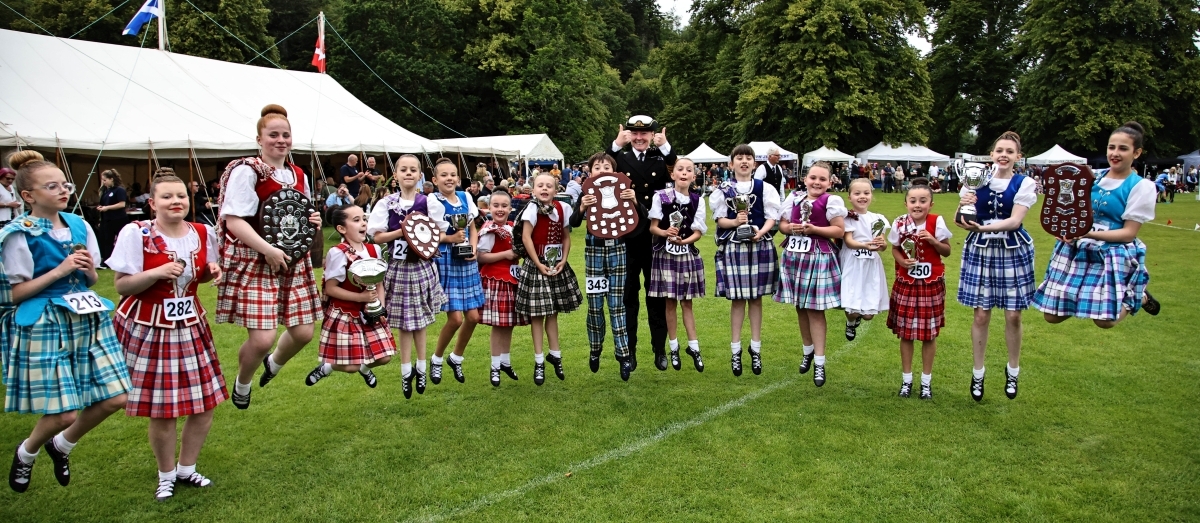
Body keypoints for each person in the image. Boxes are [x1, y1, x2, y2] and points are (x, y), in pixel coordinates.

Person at [2, 151, 131, 493]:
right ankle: (26, 453)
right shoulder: (18, 234)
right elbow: (13, 294)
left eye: (65, 184)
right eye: (52, 186)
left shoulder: (79, 224)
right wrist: (59, 270)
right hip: (47, 321)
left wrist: (87, 269)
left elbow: (89, 280)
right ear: (28, 196)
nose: (63, 191)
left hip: (87, 316)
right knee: (63, 414)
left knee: (116, 398)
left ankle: (61, 446)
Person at [108, 174, 225, 500]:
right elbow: (121, 285)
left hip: (190, 325)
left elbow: (201, 272)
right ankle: (166, 474)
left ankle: (187, 468)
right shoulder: (137, 233)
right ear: (152, 203)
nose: (176, 202)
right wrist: (157, 272)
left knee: (205, 404)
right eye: (167, 197)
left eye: (181, 196)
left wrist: (211, 272)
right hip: (150, 327)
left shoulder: (202, 232)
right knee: (163, 409)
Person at [215, 104, 322, 409]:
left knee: (303, 332)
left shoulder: (297, 173)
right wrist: (269, 250)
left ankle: (273, 364)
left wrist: (311, 219)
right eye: (273, 134)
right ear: (259, 138)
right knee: (262, 339)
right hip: (256, 259)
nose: (280, 140)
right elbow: (233, 220)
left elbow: (293, 214)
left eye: (285, 135)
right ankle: (243, 382)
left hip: (291, 259)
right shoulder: (248, 171)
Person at [1032, 121, 1161, 328]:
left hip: (1113, 251)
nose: (1115, 153)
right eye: (1112, 147)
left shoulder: (1141, 186)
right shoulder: (1092, 178)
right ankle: (1089, 298)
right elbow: (1071, 212)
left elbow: (1128, 233)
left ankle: (1139, 295)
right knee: (1052, 316)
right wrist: (1066, 230)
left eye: (1123, 148)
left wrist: (1086, 234)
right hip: (1079, 248)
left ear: (1136, 153)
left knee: (1105, 322)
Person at [367, 155, 448, 398]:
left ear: (420, 174)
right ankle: (405, 372)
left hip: (422, 266)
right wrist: (403, 231)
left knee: (421, 321)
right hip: (399, 267)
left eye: (413, 169)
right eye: (404, 170)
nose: (409, 173)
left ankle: (421, 367)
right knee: (403, 323)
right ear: (396, 174)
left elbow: (439, 233)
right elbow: (377, 236)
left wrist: (422, 238)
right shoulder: (386, 203)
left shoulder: (428, 202)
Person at [608, 115, 674, 370]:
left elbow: (678, 170)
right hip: (627, 237)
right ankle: (630, 351)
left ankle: (659, 349)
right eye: (634, 134)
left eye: (644, 134)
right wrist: (615, 144)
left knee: (655, 296)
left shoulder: (661, 159)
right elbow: (600, 167)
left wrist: (667, 147)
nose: (638, 138)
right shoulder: (620, 159)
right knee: (628, 298)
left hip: (654, 237)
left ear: (652, 136)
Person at [305, 204, 395, 388]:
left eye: (363, 218)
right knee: (351, 366)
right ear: (341, 228)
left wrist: (380, 308)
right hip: (345, 313)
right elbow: (330, 289)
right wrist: (361, 298)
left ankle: (365, 368)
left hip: (369, 313)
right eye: (356, 220)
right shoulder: (337, 253)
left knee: (385, 357)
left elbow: (379, 283)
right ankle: (327, 367)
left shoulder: (374, 250)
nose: (363, 223)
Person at [711, 144, 781, 376]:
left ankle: (756, 348)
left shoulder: (765, 188)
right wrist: (735, 223)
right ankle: (735, 350)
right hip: (734, 246)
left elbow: (773, 217)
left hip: (759, 244)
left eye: (748, 158)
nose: (744, 161)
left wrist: (760, 232)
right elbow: (720, 220)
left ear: (754, 163)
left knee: (757, 299)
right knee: (738, 300)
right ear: (731, 164)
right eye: (739, 158)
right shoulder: (723, 189)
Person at [776, 162, 846, 386]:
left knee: (815, 310)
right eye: (813, 178)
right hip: (795, 255)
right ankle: (807, 351)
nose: (817, 182)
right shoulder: (794, 197)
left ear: (829, 182)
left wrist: (814, 230)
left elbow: (838, 230)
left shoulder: (831, 201)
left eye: (822, 179)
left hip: (818, 256)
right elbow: (783, 224)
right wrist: (791, 228)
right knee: (800, 306)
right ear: (805, 179)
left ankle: (820, 362)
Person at [570, 153, 638, 379]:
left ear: (614, 171)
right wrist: (581, 207)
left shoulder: (623, 190)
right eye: (597, 167)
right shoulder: (585, 193)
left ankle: (623, 356)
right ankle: (595, 348)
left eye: (606, 166)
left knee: (617, 304)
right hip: (594, 250)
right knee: (595, 304)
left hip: (618, 248)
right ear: (590, 173)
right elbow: (574, 223)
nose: (602, 170)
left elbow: (641, 219)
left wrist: (634, 200)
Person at [515, 172, 583, 385]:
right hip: (537, 264)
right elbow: (526, 237)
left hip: (556, 264)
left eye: (549, 186)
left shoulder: (563, 208)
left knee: (552, 312)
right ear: (533, 189)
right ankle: (538, 361)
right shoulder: (532, 209)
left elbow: (565, 237)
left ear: (556, 189)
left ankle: (555, 354)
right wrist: (538, 263)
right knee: (537, 314)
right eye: (540, 185)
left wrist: (563, 260)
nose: (544, 189)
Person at [888, 178, 953, 399]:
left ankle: (926, 381)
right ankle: (907, 380)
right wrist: (902, 261)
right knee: (906, 333)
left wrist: (933, 241)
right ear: (906, 203)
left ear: (931, 204)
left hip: (931, 284)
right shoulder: (899, 222)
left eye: (923, 201)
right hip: (906, 282)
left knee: (928, 334)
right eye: (913, 200)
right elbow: (895, 249)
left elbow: (947, 251)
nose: (918, 205)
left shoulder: (937, 221)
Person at [427, 159, 485, 385]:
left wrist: (472, 248)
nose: (449, 178)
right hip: (447, 258)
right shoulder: (433, 200)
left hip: (466, 258)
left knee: (473, 317)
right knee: (455, 319)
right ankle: (437, 359)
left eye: (453, 175)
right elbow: (429, 233)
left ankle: (456, 357)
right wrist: (450, 238)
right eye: (444, 175)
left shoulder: (465, 197)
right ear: (435, 180)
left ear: (458, 179)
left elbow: (472, 227)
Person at [647, 157, 707, 373]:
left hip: (686, 253)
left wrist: (685, 240)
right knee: (670, 302)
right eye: (680, 169)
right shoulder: (660, 197)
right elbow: (653, 227)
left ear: (693, 176)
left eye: (688, 170)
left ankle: (694, 347)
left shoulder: (697, 200)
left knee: (687, 303)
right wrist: (665, 233)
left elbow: (698, 232)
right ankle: (673, 347)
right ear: (673, 175)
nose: (684, 173)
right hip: (665, 253)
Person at [476, 189, 527, 386]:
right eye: (496, 206)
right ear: (489, 208)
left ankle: (505, 361)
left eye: (504, 206)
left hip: (512, 279)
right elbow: (481, 256)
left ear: (510, 208)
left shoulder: (512, 227)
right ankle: (495, 365)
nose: (500, 209)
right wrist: (505, 254)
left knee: (508, 323)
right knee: (498, 325)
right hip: (496, 278)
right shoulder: (490, 229)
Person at [840, 178, 890, 341]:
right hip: (853, 262)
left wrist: (881, 244)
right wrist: (865, 246)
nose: (862, 196)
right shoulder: (848, 217)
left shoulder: (878, 218)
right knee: (852, 308)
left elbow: (882, 245)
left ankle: (860, 317)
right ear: (850, 197)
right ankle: (850, 322)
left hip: (871, 264)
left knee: (868, 314)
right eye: (857, 193)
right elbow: (849, 241)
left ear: (871, 195)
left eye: (866, 193)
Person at [96, 169, 128, 267]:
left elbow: (122, 204)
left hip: (118, 219)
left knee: (121, 240)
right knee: (106, 240)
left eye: (105, 180)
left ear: (111, 179)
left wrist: (107, 208)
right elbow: (105, 203)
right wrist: (101, 208)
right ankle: (106, 260)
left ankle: (124, 259)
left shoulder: (120, 190)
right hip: (107, 219)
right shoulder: (106, 191)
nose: (103, 182)